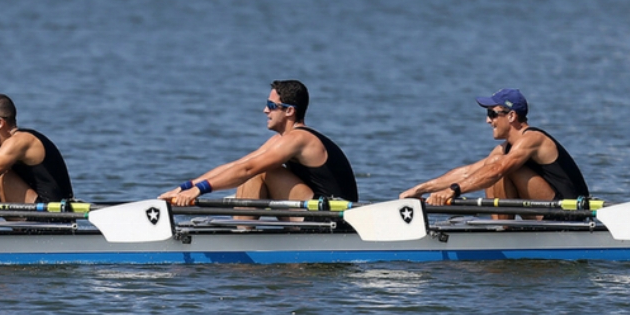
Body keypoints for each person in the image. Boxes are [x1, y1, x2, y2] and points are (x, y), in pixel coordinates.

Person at [160, 80, 358, 206]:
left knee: (260, 170)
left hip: (333, 216)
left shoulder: (299, 139)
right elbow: (238, 165)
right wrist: (185, 187)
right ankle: (242, 234)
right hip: (312, 208)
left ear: (289, 111)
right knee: (250, 169)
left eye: (272, 106)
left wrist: (199, 191)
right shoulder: (280, 140)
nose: (265, 110)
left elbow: (248, 169)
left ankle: (242, 239)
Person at [400, 88, 589, 212]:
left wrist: (453, 191)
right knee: (492, 164)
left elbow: (497, 170)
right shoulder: (505, 148)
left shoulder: (533, 138)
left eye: (492, 114)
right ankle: (502, 231)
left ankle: (502, 235)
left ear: (512, 116)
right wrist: (419, 189)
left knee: (497, 167)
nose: (488, 120)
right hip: (545, 211)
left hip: (570, 213)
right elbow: (467, 172)